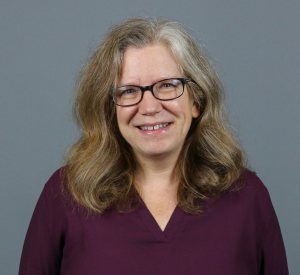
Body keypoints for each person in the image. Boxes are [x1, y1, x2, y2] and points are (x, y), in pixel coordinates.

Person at [19, 17, 289, 275]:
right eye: (128, 91)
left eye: (168, 86)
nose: (149, 107)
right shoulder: (65, 194)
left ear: (196, 102)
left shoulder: (248, 197)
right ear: (109, 111)